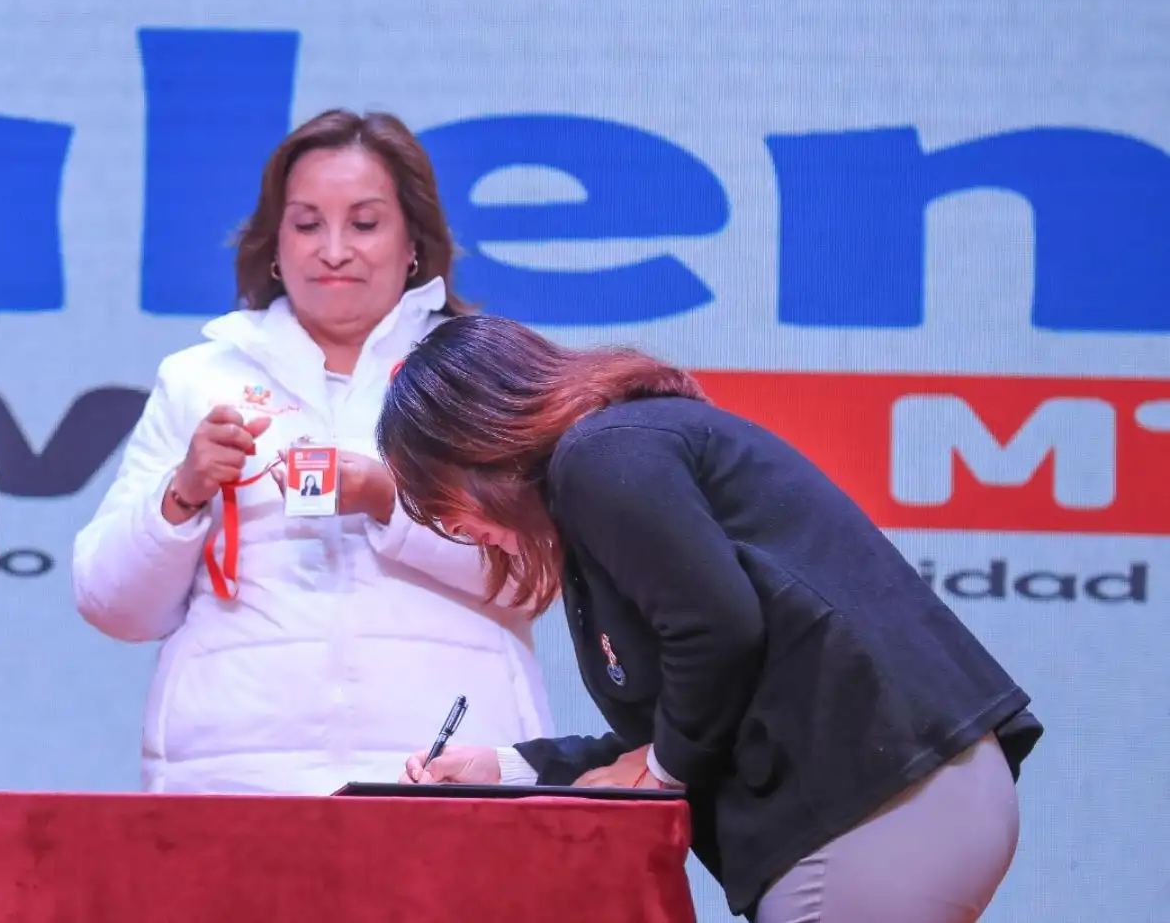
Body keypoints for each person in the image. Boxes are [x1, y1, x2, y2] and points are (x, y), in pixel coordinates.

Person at [378, 315, 1043, 923]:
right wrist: (511, 768)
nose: (456, 530)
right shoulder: (615, 471)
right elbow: (693, 719)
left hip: (877, 799)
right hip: (896, 794)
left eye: (439, 505)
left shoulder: (600, 456)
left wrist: (664, 769)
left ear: (476, 445)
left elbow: (716, 637)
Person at [73, 110, 554, 794]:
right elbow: (112, 605)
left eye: (364, 223)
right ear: (275, 244)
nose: (334, 249)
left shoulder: (483, 371)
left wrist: (388, 500)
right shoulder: (197, 379)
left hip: (441, 777)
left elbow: (536, 574)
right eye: (306, 224)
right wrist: (181, 495)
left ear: (414, 239)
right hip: (236, 779)